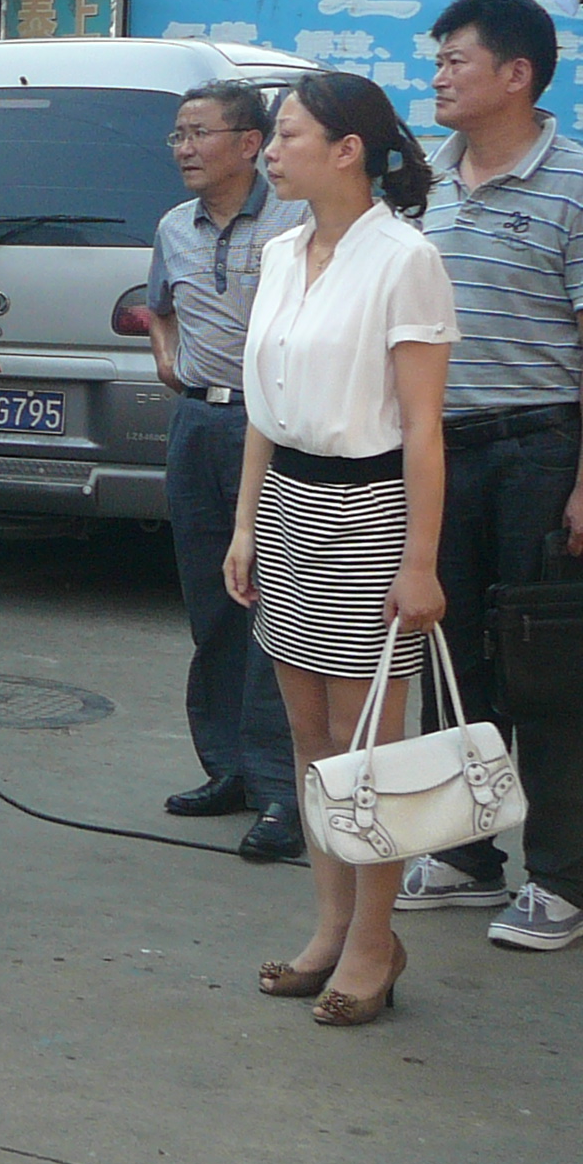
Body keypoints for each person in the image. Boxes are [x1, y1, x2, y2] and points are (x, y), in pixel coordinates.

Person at [228, 73, 456, 1025]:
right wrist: (246, 523)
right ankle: (329, 927)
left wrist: (420, 561)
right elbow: (264, 403)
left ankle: (374, 942)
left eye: (288, 135)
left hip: (368, 511)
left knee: (372, 749)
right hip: (287, 503)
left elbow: (423, 427)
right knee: (312, 741)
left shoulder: (405, 259)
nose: (271, 152)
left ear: (348, 149)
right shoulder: (282, 251)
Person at [402, 0, 583, 953]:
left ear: (517, 74)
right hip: (439, 451)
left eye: (454, 60)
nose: (437, 76)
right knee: (449, 658)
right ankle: (465, 855)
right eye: (436, 60)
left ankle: (561, 877)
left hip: (540, 451)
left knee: (545, 668)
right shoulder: (420, 184)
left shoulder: (576, 184)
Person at [146, 81, 308, 861]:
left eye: (199, 133)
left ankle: (283, 790)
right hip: (197, 424)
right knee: (212, 605)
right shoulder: (173, 227)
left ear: (250, 143)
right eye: (177, 134)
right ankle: (229, 768)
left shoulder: (296, 221)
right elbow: (159, 307)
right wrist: (168, 359)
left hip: (269, 426)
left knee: (273, 609)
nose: (184, 148)